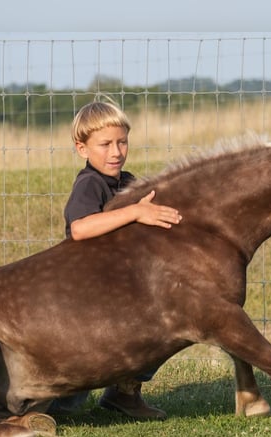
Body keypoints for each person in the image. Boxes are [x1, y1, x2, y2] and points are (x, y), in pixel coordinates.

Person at [47, 100, 182, 420]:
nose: (116, 152)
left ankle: (125, 393)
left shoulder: (127, 181)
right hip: (85, 290)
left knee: (167, 324)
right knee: (78, 375)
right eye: (105, 144)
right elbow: (80, 228)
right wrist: (134, 211)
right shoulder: (90, 183)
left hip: (119, 286)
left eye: (122, 142)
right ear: (82, 149)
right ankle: (48, 407)